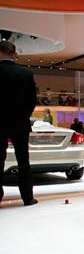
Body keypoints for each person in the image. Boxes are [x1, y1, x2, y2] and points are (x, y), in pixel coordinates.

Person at [0, 41, 38, 206]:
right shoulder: (26, 73)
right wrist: (23, 116)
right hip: (20, 123)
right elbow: (32, 100)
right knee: (23, 160)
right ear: (13, 53)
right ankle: (27, 197)